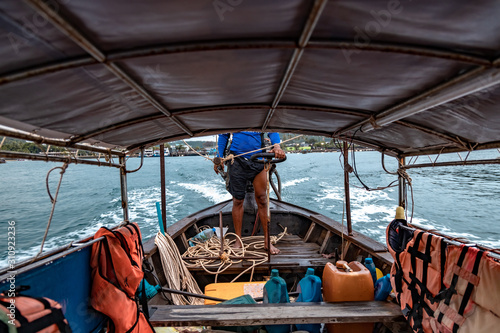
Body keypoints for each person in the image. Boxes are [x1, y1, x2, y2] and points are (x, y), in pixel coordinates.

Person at [214, 132, 286, 254]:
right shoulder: (233, 114)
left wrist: (277, 147)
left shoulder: (261, 114)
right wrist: (219, 156)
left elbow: (272, 131)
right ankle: (238, 240)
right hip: (236, 160)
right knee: (237, 201)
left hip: (259, 160)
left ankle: (267, 241)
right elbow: (223, 135)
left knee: (262, 199)